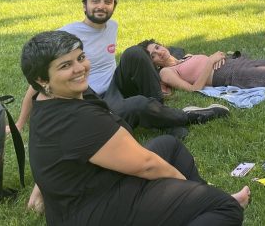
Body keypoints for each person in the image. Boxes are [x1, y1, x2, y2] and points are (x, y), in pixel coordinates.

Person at [20, 30, 249, 226]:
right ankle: (208, 202)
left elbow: (54, 156)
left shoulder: (52, 97)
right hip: (96, 210)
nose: (80, 68)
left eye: (80, 57)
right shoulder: (77, 119)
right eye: (66, 65)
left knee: (169, 145)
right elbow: (147, 166)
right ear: (42, 79)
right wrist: (184, 187)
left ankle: (200, 202)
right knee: (226, 209)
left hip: (83, 196)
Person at [15, 0, 228, 135]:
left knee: (135, 52)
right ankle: (180, 117)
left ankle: (159, 112)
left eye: (108, 1)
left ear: (114, 6)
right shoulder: (67, 35)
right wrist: (20, 123)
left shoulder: (112, 26)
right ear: (84, 5)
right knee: (136, 105)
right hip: (91, 97)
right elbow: (39, 80)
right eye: (95, 0)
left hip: (117, 85)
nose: (101, 6)